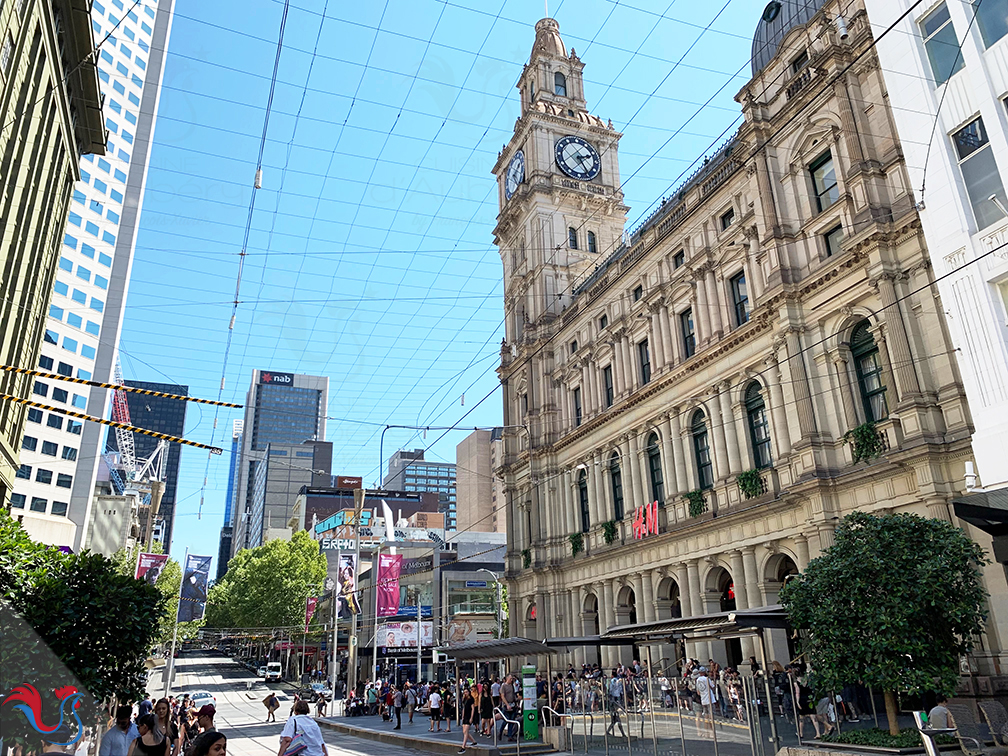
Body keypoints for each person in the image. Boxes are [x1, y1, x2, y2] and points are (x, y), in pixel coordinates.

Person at [458, 687, 478, 753]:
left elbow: (473, 709)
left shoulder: (471, 699)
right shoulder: (465, 699)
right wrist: (462, 716)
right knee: (464, 731)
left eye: (466, 692)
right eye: (464, 692)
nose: (465, 693)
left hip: (469, 715)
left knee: (466, 731)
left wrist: (471, 717)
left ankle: (463, 746)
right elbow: (463, 708)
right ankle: (474, 741)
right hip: (465, 715)